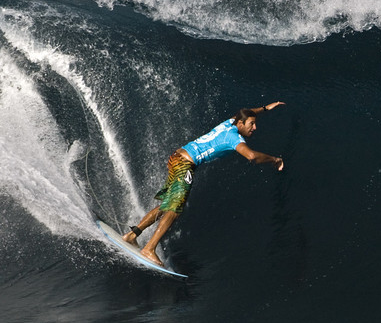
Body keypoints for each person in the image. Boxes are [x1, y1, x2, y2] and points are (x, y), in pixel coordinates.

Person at [123, 102, 287, 266]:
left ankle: (132, 235)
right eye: (252, 124)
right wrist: (275, 159)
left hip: (176, 157)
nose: (255, 127)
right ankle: (149, 248)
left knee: (168, 205)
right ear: (240, 123)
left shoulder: (229, 123)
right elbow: (251, 156)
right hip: (185, 164)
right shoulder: (233, 137)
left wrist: (265, 108)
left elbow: (248, 112)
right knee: (175, 209)